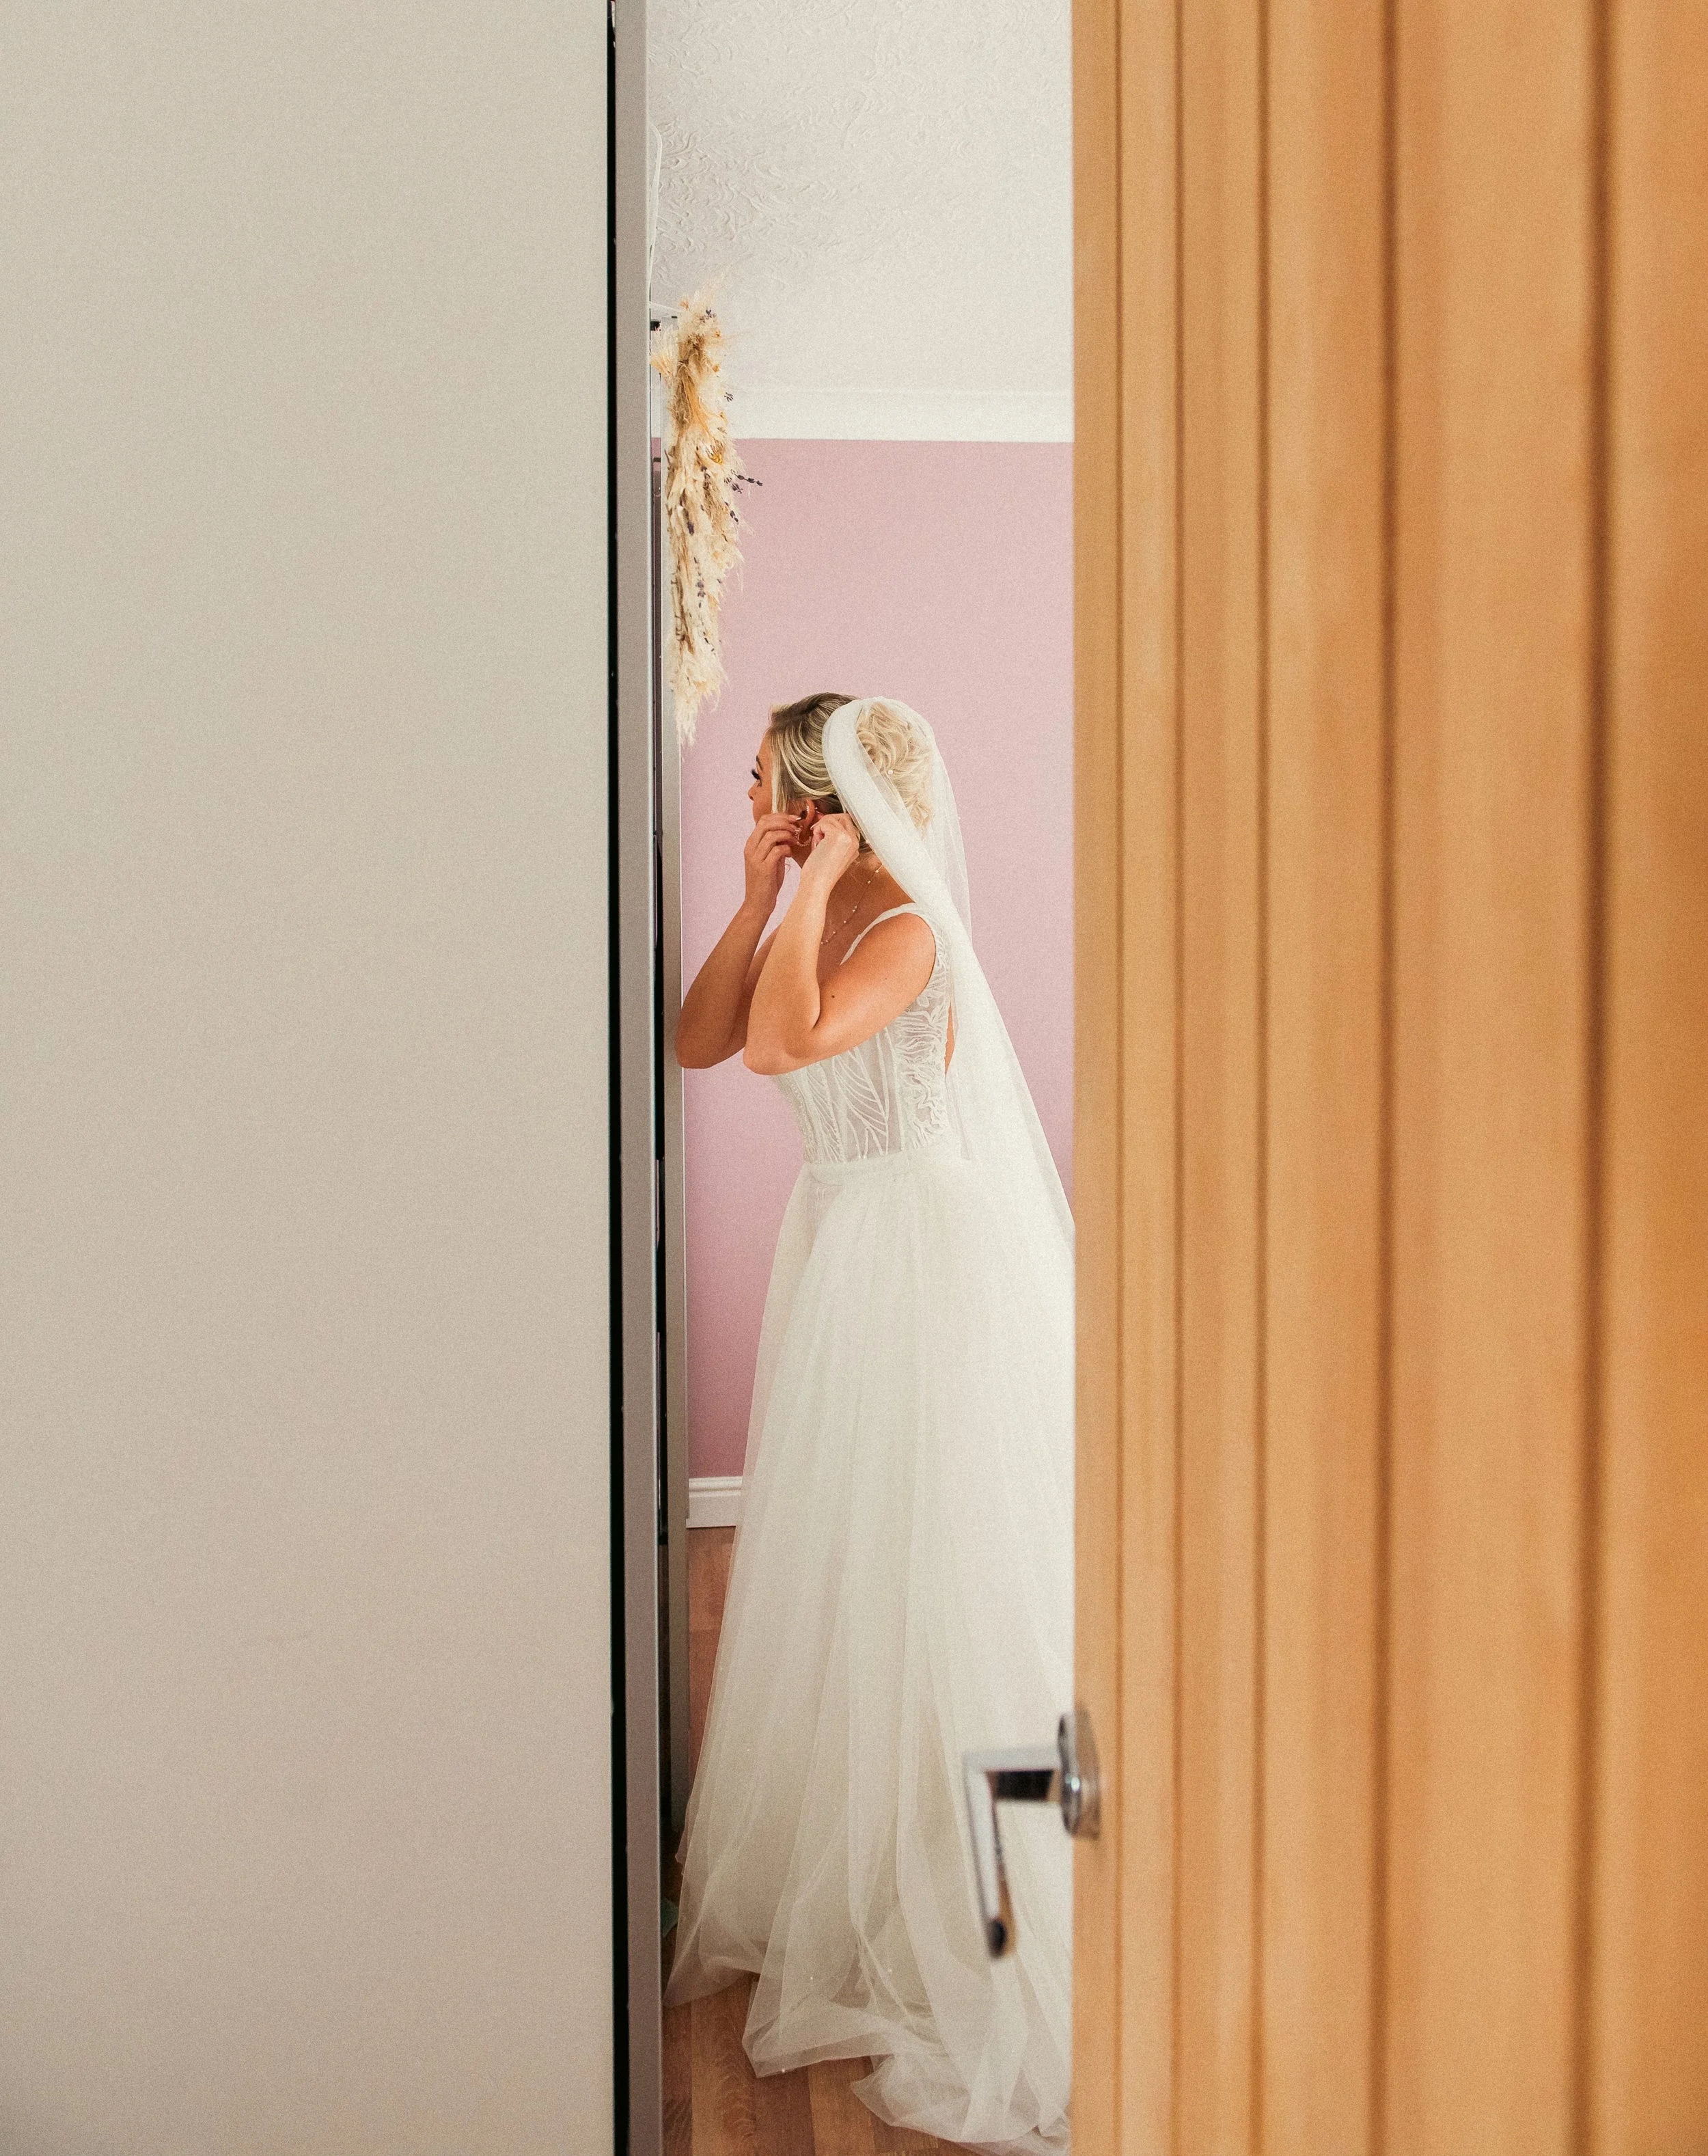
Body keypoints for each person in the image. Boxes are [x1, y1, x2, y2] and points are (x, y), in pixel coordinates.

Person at [667, 694, 1073, 2153]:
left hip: (919, 1257)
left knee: (935, 1556)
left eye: (782, 788)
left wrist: (826, 885)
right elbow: (702, 1034)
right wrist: (760, 887)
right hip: (842, 1245)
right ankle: (862, 1835)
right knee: (848, 1555)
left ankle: (973, 1870)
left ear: (834, 793)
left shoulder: (904, 929)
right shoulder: (819, 904)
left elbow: (785, 1051)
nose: (768, 801)